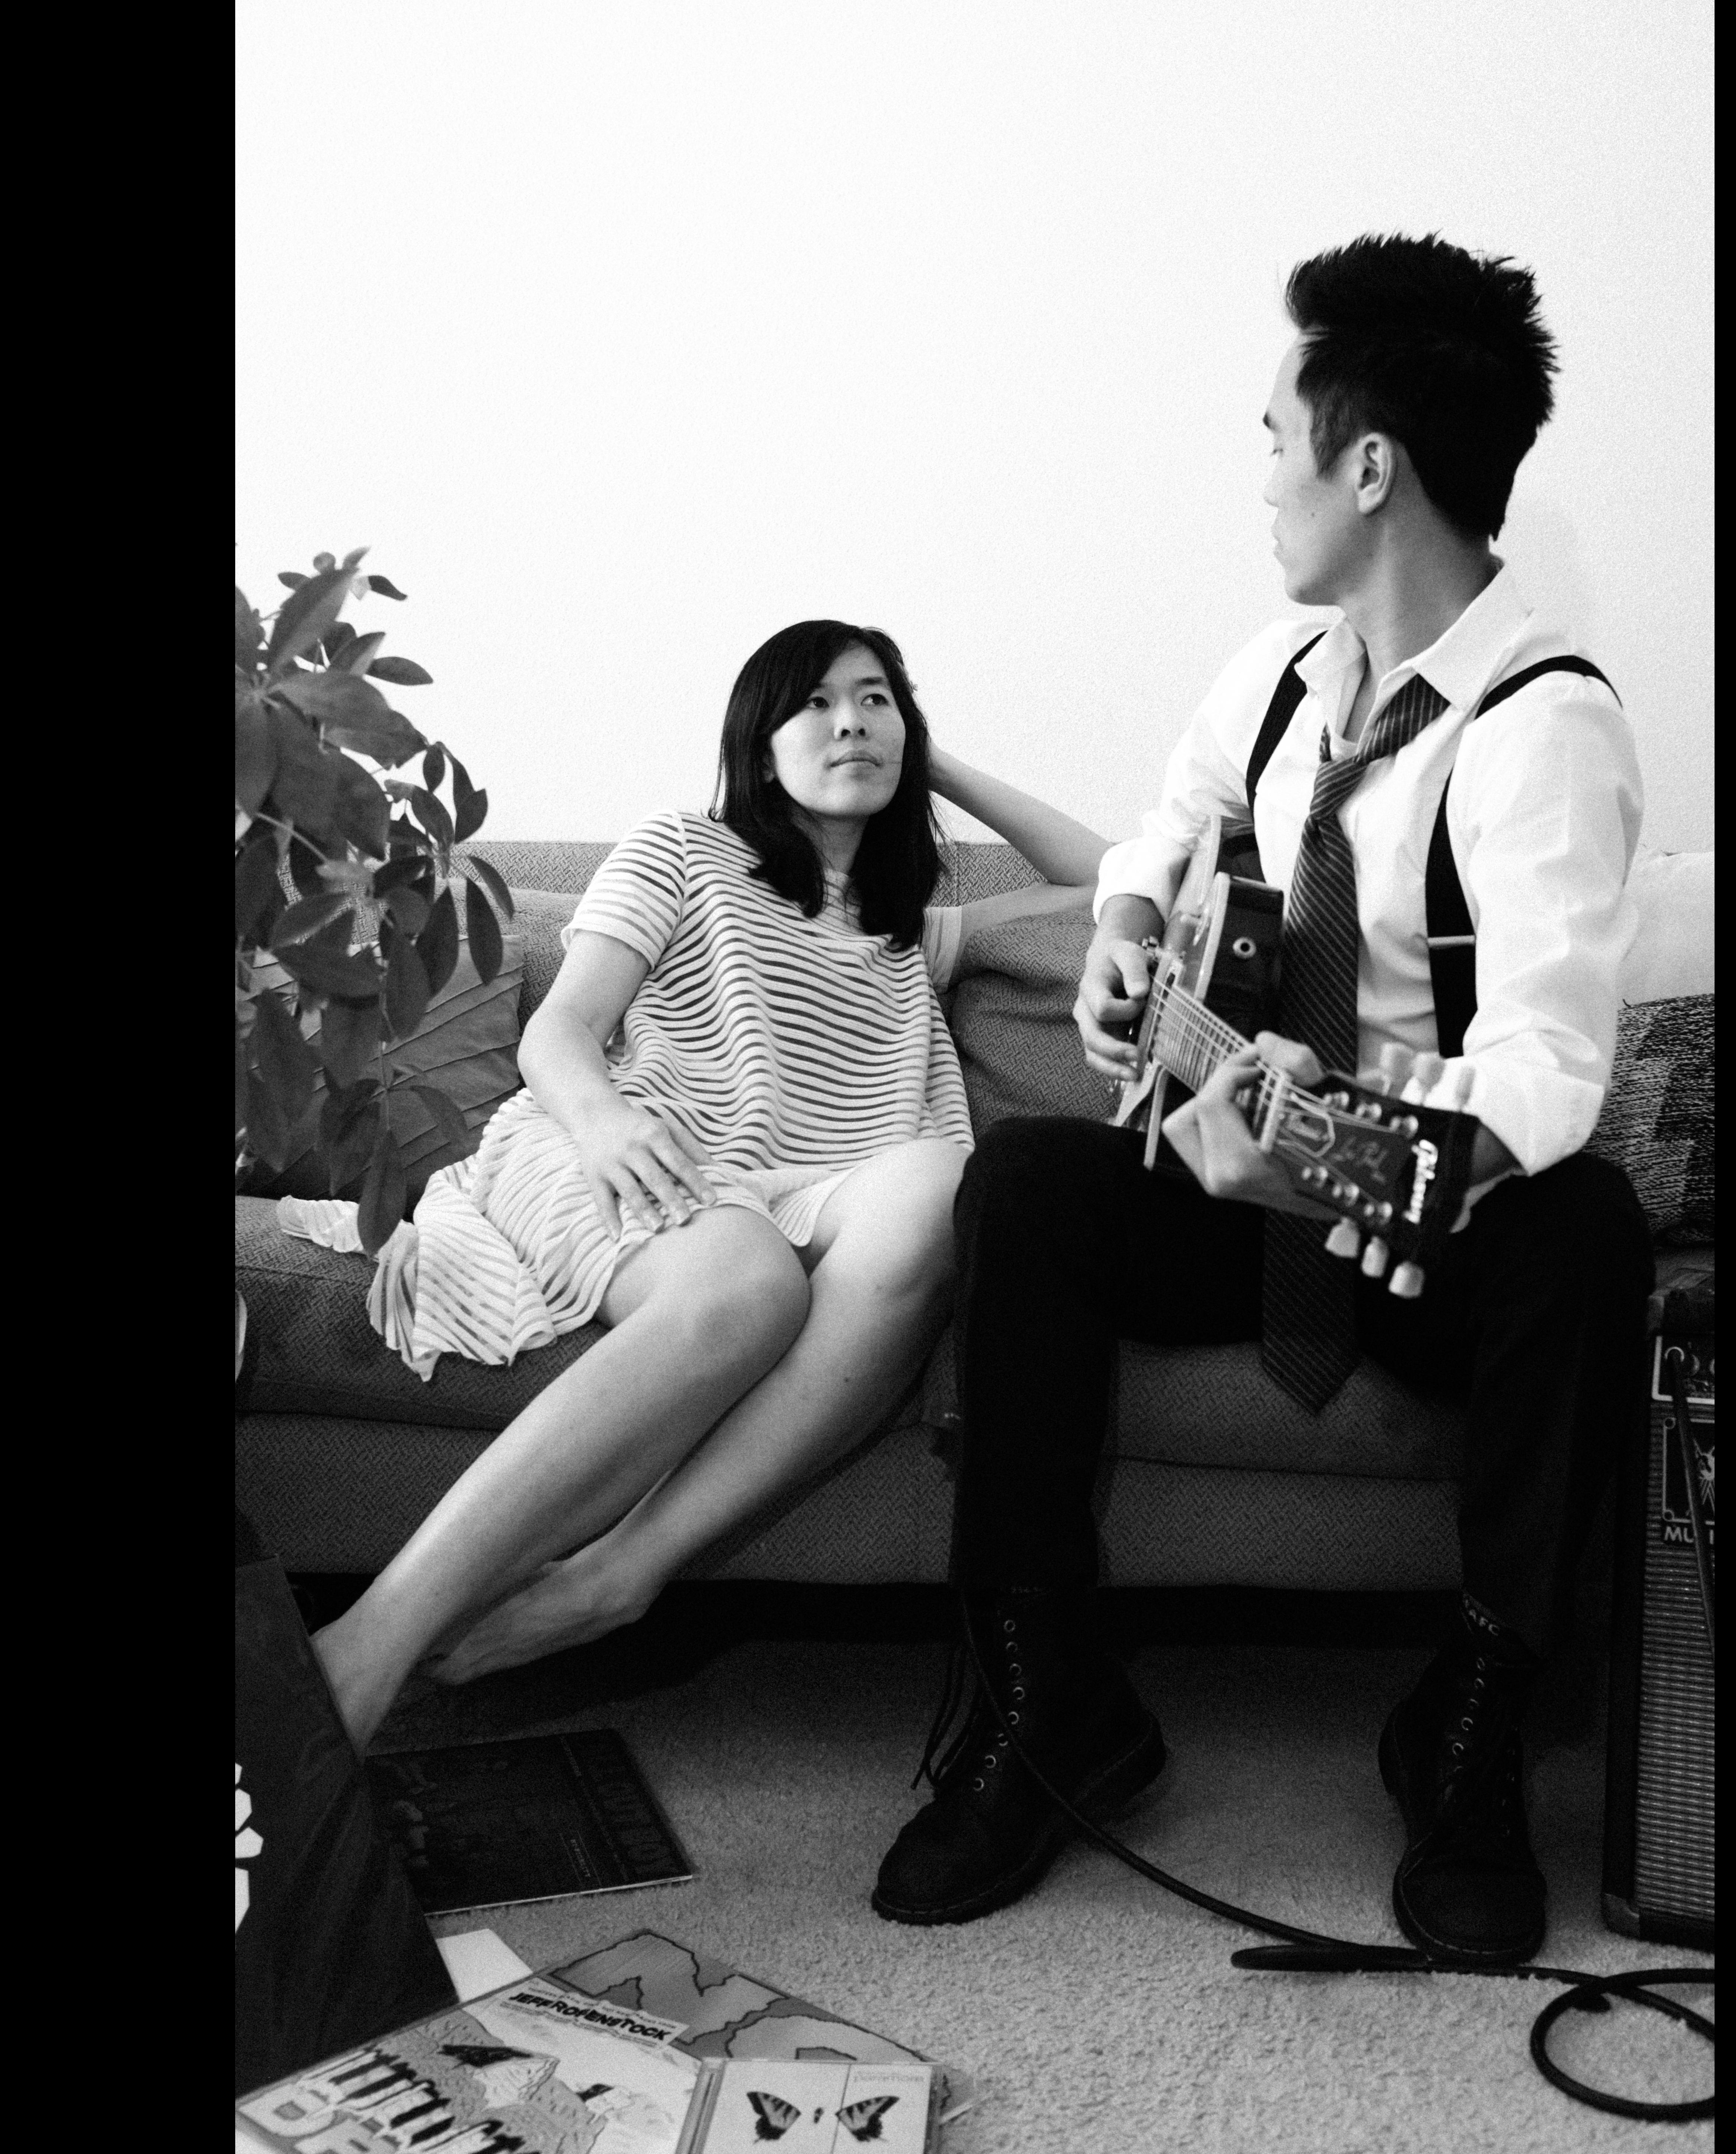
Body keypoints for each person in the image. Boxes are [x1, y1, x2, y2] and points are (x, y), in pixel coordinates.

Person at [871, 235, 1652, 1966]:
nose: (1264, 478)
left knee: (1587, 1233)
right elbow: (1161, 831)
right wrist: (1126, 933)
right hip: (1243, 1192)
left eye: (1277, 438)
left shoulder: (1542, 730)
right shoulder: (1285, 675)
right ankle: (1051, 1701)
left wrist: (1346, 1124)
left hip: (1417, 1230)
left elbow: (1549, 1073)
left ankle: (1472, 1728)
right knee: (1028, 1190)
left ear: (1368, 468)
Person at [311, 619, 1109, 1750]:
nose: (851, 722)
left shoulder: (910, 932)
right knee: (749, 1284)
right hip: (624, 1141)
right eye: (816, 703)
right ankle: (363, 1649)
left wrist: (936, 763)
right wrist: (604, 1123)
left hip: (809, 1186)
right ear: (757, 743)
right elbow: (560, 1032)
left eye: (876, 700)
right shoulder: (681, 848)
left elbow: (1118, 883)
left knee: (946, 1183)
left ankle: (623, 1573)